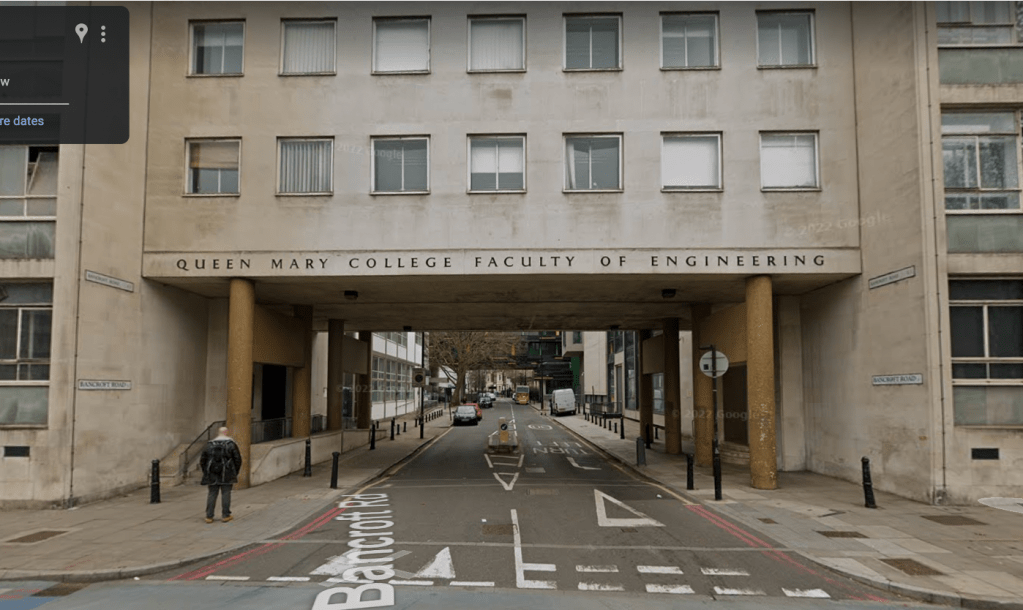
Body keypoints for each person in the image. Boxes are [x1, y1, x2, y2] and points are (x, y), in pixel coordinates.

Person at [200, 426, 242, 523]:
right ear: (226, 432)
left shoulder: (209, 444)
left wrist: (206, 472)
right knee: (226, 493)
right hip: (227, 472)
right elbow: (237, 459)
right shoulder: (231, 444)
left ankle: (209, 516)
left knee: (212, 493)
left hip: (212, 473)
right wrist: (234, 472)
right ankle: (225, 515)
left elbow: (203, 460)